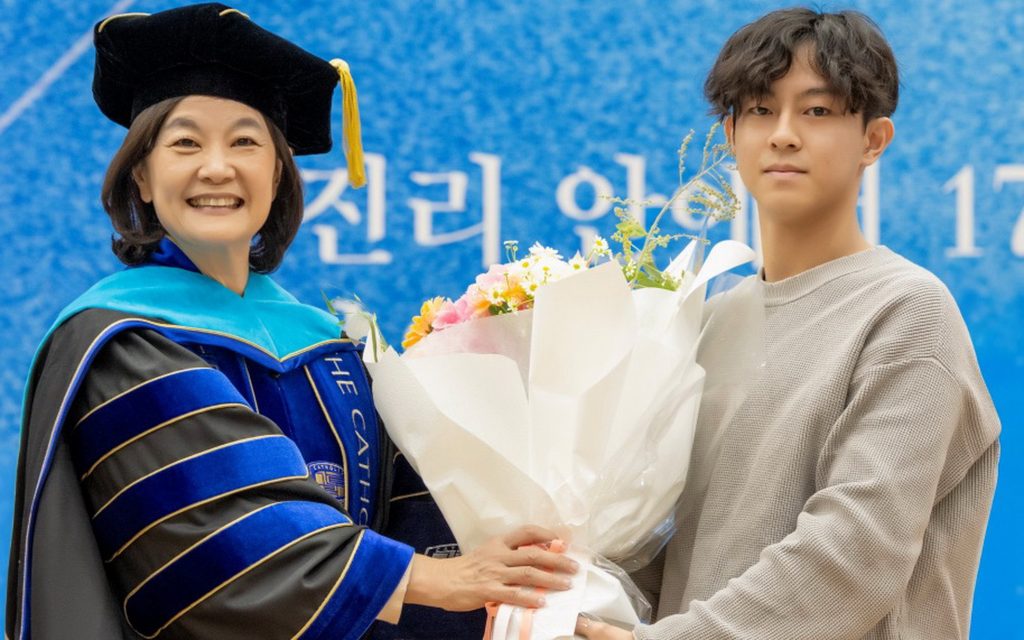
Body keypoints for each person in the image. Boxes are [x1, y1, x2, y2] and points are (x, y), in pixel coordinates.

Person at [5, 5, 577, 640]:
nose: (216, 167)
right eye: (185, 143)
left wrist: (539, 581)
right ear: (141, 175)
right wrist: (432, 580)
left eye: (245, 142)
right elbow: (217, 532)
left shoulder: (332, 349)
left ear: (278, 174)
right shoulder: (125, 345)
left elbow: (415, 512)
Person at [576, 7, 1000, 640]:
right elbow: (664, 547)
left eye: (817, 110)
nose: (783, 135)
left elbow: (854, 556)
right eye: (759, 110)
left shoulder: (909, 312)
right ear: (730, 135)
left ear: (874, 139)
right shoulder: (709, 324)